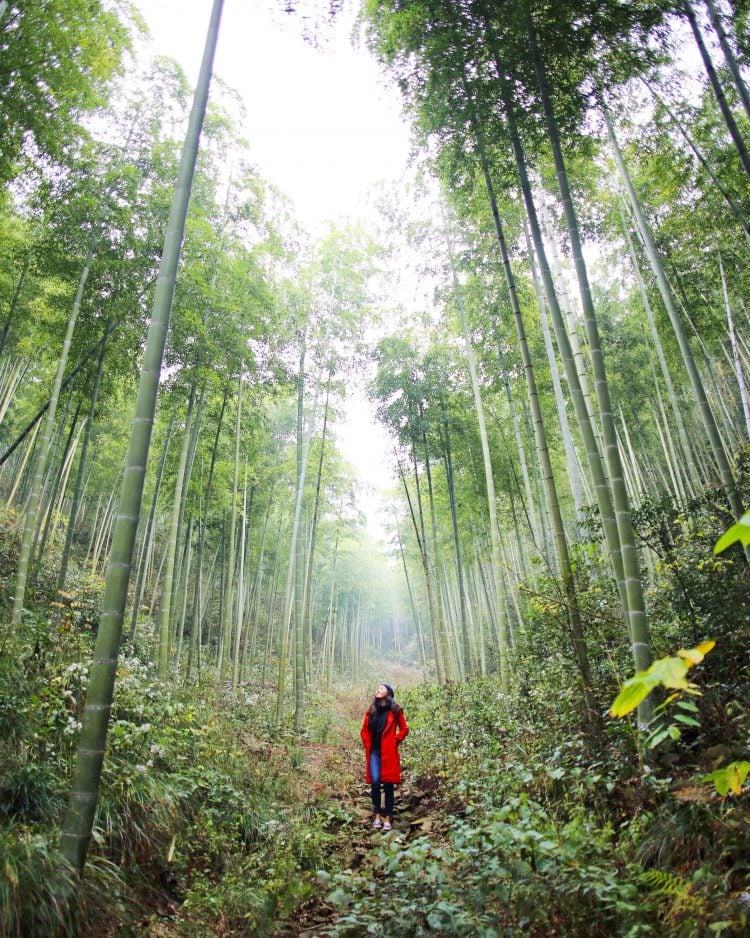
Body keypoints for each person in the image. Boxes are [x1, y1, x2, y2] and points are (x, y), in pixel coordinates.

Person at [360, 683, 409, 831]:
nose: (378, 690)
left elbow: (405, 728)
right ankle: (376, 817)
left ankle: (388, 818)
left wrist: (395, 740)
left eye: (381, 688)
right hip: (374, 752)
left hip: (388, 752)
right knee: (375, 785)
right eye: (377, 688)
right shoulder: (371, 710)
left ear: (389, 693)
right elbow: (364, 731)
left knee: (388, 785)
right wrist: (368, 744)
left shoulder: (395, 710)